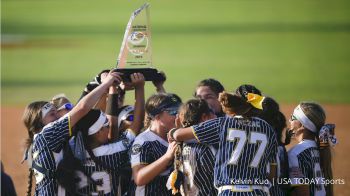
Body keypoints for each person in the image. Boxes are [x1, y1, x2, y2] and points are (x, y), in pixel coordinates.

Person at [22, 70, 122, 196]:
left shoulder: (45, 139)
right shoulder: (47, 135)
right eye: (52, 114)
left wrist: (97, 83)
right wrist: (105, 85)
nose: (58, 116)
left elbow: (83, 116)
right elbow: (81, 109)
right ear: (39, 124)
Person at [171, 90, 277, 195]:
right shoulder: (267, 128)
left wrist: (173, 131)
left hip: (229, 191)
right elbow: (272, 171)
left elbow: (178, 135)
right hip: (258, 191)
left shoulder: (223, 124)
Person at [130, 93, 182, 195]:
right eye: (173, 112)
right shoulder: (143, 141)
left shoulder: (176, 135)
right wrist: (167, 157)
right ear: (157, 117)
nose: (178, 116)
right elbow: (139, 178)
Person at [287, 102, 337, 196]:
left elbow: (301, 191)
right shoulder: (321, 149)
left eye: (293, 117)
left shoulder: (295, 154)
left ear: (302, 125)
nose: (289, 120)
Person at [173, 98, 217, 196]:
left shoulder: (182, 146)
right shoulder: (207, 147)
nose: (216, 117)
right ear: (205, 117)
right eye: (213, 112)